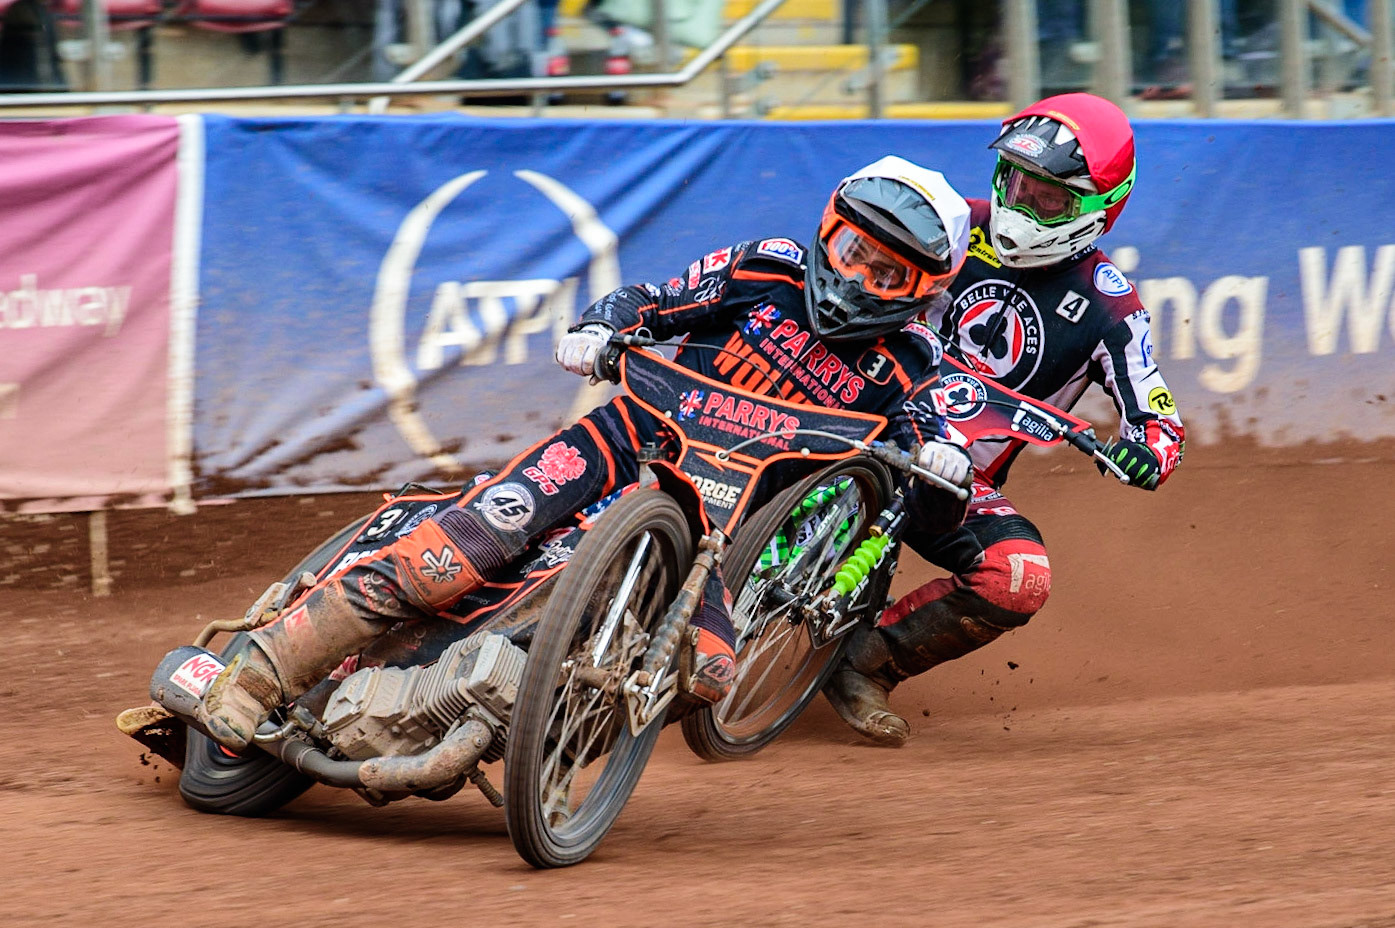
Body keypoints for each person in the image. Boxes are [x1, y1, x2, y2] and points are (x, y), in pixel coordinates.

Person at [196, 155, 980, 753]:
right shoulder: (765, 265)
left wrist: (945, 462)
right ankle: (261, 674)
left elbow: (931, 443)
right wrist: (600, 328)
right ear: (826, 230)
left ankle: (538, 746)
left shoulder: (913, 359)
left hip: (717, 529)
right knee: (449, 557)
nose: (856, 277)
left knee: (708, 673)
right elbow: (652, 301)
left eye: (886, 272)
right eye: (850, 250)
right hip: (619, 440)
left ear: (922, 288)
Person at [823, 93, 1187, 747]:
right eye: (1017, 184)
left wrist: (1144, 453)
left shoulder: (1111, 309)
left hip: (953, 477)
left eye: (1047, 198)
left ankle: (865, 665)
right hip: (853, 411)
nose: (1023, 206)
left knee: (1019, 576)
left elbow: (1159, 424)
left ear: (1099, 207)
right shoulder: (950, 223)